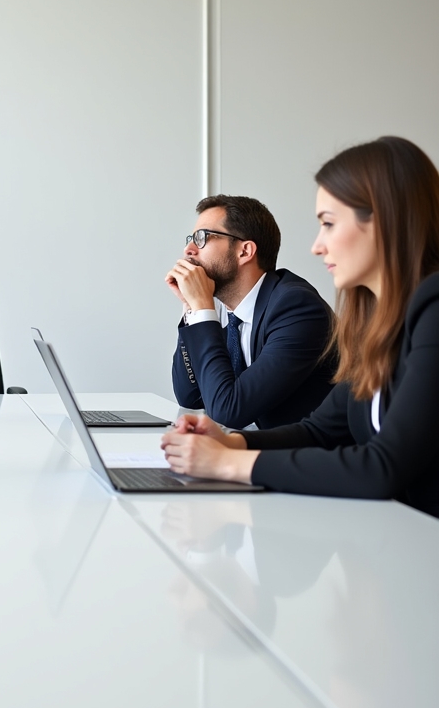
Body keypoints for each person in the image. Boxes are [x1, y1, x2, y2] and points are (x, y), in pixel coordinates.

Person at [161, 136, 439, 519]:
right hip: (392, 535)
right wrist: (230, 442)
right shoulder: (377, 321)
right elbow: (320, 432)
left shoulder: (432, 309)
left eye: (328, 224)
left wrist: (225, 464)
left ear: (385, 220)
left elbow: (383, 467)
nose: (317, 246)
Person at [167, 194, 335, 429]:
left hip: (312, 459)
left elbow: (229, 410)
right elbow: (191, 397)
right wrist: (191, 309)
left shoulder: (296, 307)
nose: (189, 249)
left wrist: (203, 310)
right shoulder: (228, 310)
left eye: (202, 237)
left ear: (245, 251)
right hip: (262, 453)